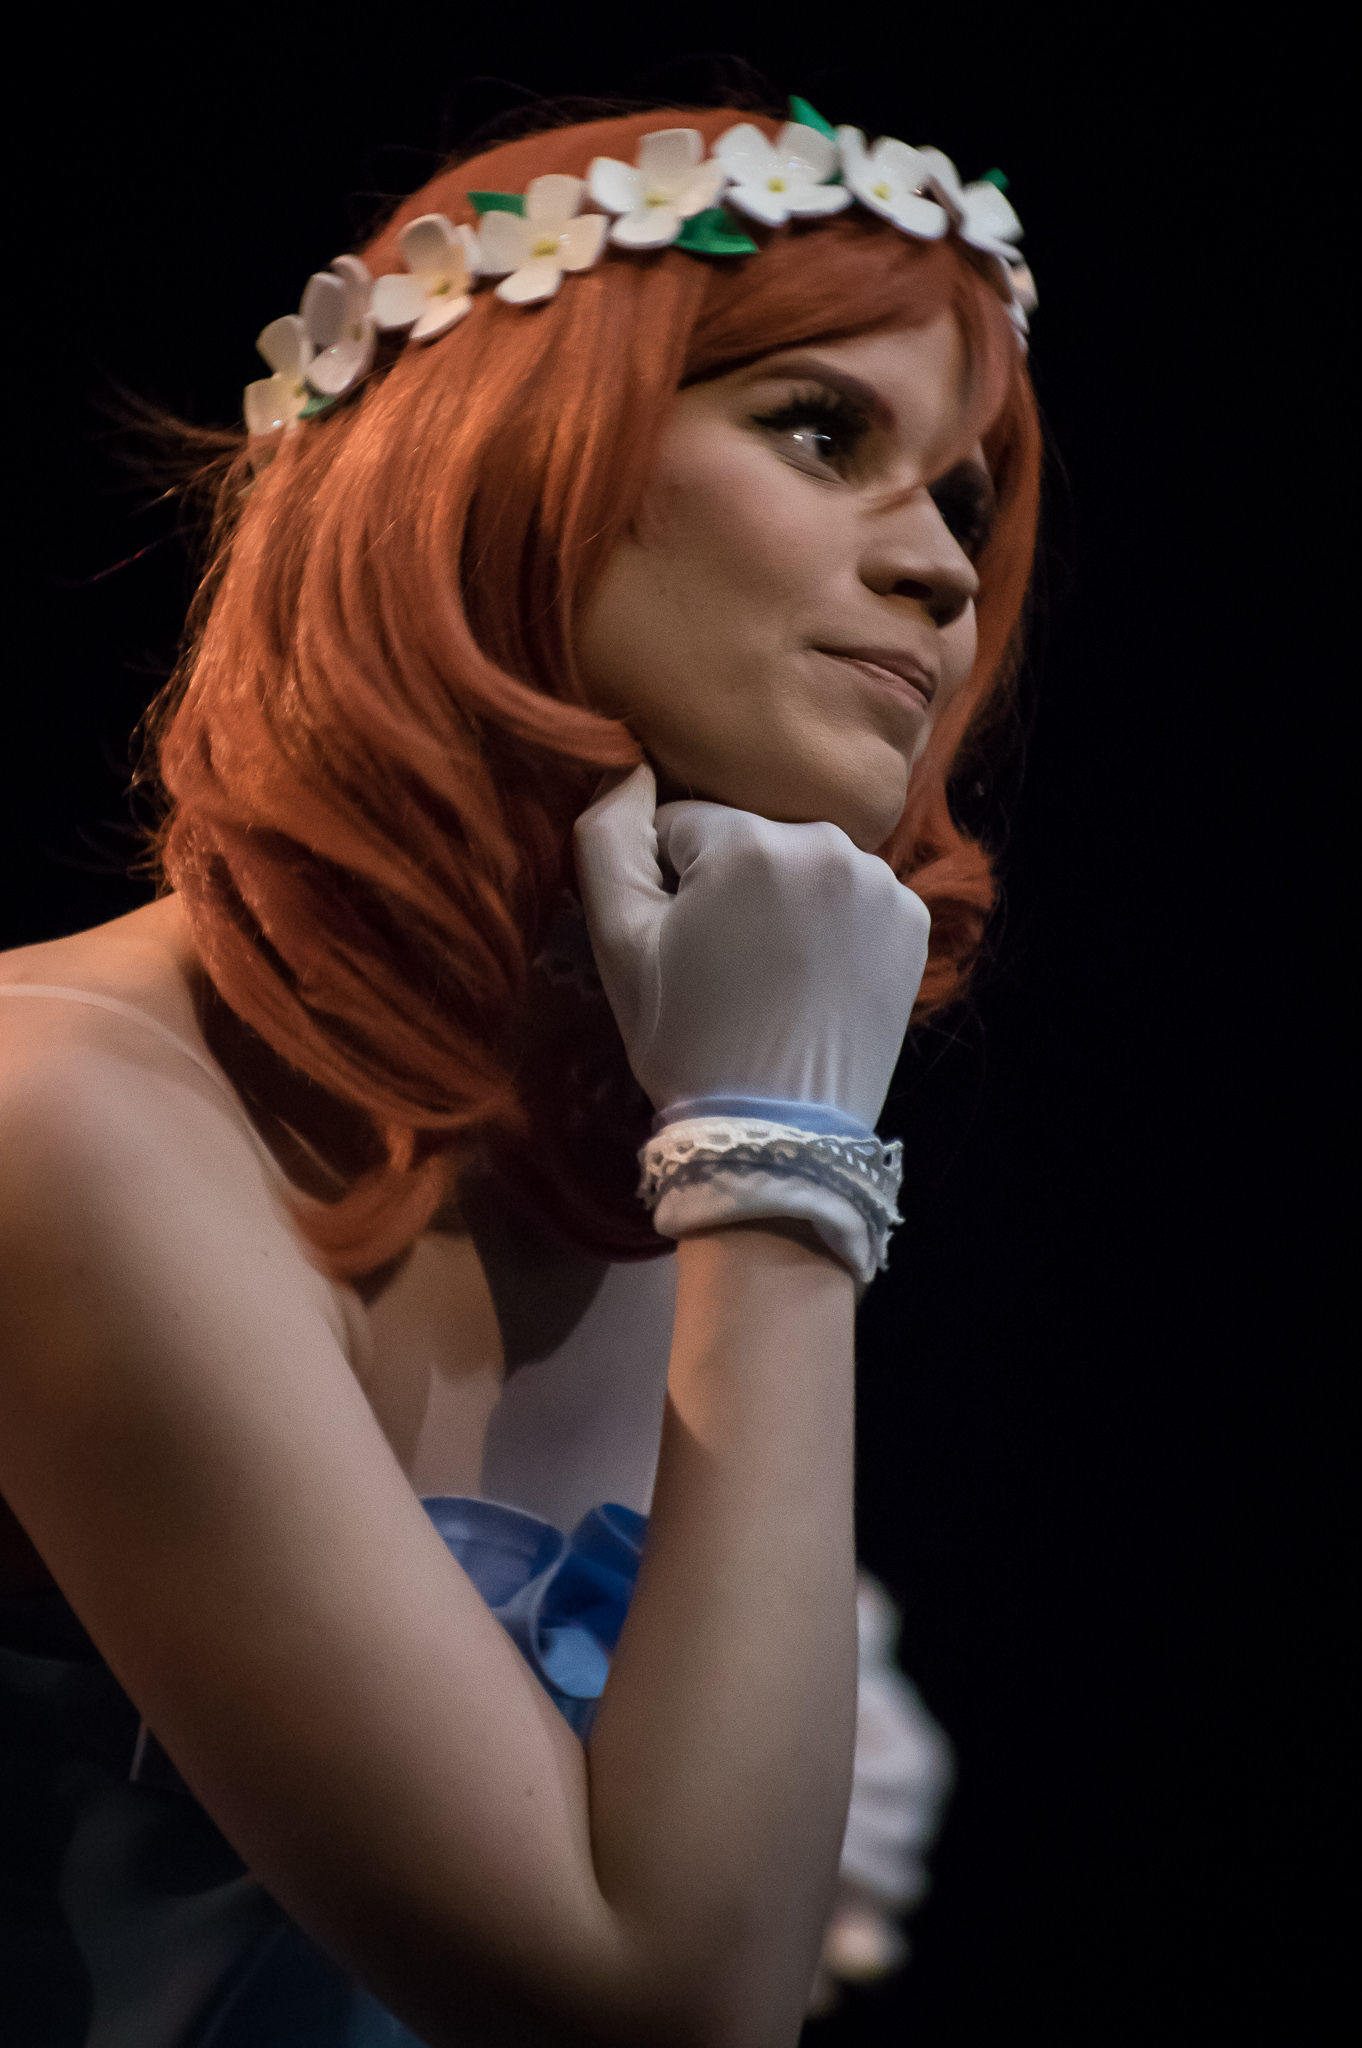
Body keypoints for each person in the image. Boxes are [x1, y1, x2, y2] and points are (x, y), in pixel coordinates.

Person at [0, 100, 1040, 2045]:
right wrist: (785, 1162)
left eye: (962, 500)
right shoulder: (58, 1115)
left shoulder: (628, 1139)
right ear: (505, 463)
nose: (940, 572)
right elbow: (662, 2007)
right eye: (821, 432)